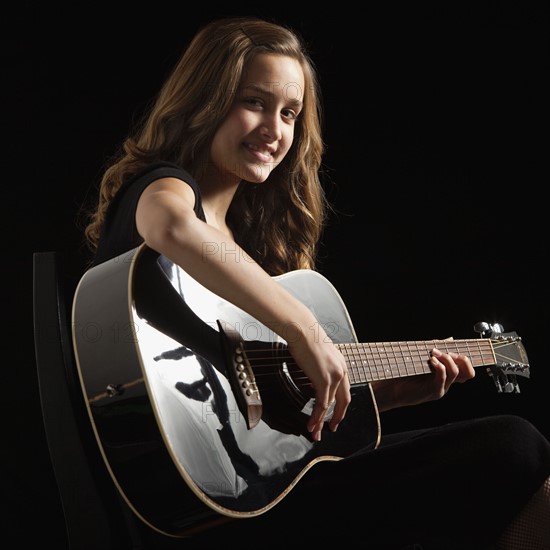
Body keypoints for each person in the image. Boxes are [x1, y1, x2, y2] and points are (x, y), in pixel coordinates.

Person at [80, 16, 550, 549]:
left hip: (254, 491)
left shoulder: (251, 257)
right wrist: (304, 327)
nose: (274, 129)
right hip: (200, 504)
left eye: (289, 113)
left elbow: (270, 428)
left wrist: (389, 397)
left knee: (520, 471)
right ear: (203, 101)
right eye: (253, 102)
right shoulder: (163, 187)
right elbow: (169, 225)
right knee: (515, 446)